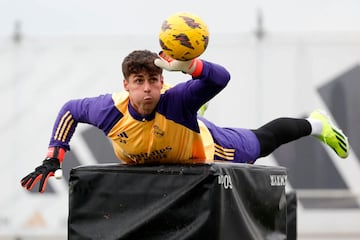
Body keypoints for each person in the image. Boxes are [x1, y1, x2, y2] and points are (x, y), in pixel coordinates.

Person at [20, 50, 349, 193]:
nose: (147, 88)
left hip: (205, 149)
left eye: (153, 80)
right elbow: (69, 110)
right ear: (126, 85)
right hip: (160, 145)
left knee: (263, 142)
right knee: (187, 102)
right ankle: (195, 110)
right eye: (138, 81)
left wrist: (190, 66)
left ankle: (316, 125)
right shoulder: (108, 110)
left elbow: (221, 78)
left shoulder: (171, 100)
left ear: (163, 82)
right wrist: (54, 156)